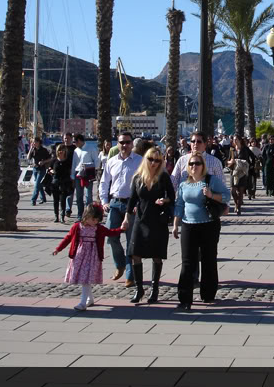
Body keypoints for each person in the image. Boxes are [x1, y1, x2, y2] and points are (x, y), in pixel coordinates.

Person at [172, 153, 231, 310]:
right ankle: (185, 298)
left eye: (197, 163)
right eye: (191, 164)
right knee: (187, 262)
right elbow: (179, 204)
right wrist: (175, 224)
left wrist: (212, 195)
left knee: (208, 259)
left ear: (202, 165)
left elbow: (226, 195)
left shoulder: (211, 180)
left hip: (209, 225)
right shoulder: (184, 184)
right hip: (188, 225)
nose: (194, 166)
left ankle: (208, 293)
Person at [52, 202, 128, 311]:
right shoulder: (77, 227)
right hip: (79, 256)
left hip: (93, 256)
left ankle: (83, 302)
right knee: (84, 278)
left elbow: (110, 232)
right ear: (87, 216)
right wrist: (58, 248)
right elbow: (68, 238)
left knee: (86, 279)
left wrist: (121, 229)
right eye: (93, 219)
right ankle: (89, 299)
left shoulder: (99, 228)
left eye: (97, 220)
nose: (95, 222)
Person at [125, 147, 175, 304]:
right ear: (145, 159)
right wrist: (126, 218)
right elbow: (132, 200)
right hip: (141, 219)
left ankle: (154, 289)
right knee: (135, 254)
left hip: (157, 220)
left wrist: (164, 201)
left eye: (157, 160)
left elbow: (172, 197)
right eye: (151, 159)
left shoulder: (163, 177)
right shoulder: (138, 177)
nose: (154, 163)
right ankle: (139, 289)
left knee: (157, 255)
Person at [99, 131, 143, 288]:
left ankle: (130, 275)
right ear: (117, 144)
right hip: (115, 204)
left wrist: (140, 203)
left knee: (131, 242)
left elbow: (145, 183)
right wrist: (104, 201)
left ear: (132, 144)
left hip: (132, 206)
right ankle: (120, 264)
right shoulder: (111, 161)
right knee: (111, 237)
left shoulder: (139, 161)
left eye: (127, 142)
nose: (124, 145)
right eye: (121, 142)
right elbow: (104, 182)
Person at [227, 135, 255, 214]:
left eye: (236, 139)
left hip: (242, 172)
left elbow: (252, 157)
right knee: (233, 191)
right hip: (234, 171)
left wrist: (250, 165)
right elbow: (228, 160)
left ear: (240, 140)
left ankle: (239, 207)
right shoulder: (232, 150)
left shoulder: (245, 149)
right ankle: (236, 203)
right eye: (234, 140)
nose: (235, 141)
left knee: (240, 191)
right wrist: (231, 162)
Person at [73, 133, 99, 218]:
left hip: (88, 174)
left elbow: (96, 160)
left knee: (89, 195)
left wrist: (95, 169)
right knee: (79, 195)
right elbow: (74, 163)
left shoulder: (91, 148)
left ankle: (89, 214)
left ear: (79, 141)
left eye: (75, 142)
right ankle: (80, 214)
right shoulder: (76, 150)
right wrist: (72, 174)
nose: (75, 144)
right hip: (78, 174)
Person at [49, 144, 74, 223]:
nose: (61, 152)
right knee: (55, 200)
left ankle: (62, 215)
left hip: (64, 183)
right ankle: (56, 216)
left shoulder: (68, 161)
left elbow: (71, 171)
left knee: (63, 200)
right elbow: (50, 168)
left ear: (65, 151)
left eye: (62, 150)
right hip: (55, 182)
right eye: (59, 150)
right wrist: (51, 171)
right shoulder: (54, 160)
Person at [28, 137, 51, 206]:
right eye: (33, 142)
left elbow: (50, 158)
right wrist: (30, 149)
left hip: (42, 169)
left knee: (37, 185)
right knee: (39, 184)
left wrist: (43, 162)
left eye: (35, 142)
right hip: (35, 168)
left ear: (39, 142)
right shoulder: (33, 150)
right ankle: (43, 198)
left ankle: (33, 200)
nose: (34, 143)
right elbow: (28, 157)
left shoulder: (44, 150)